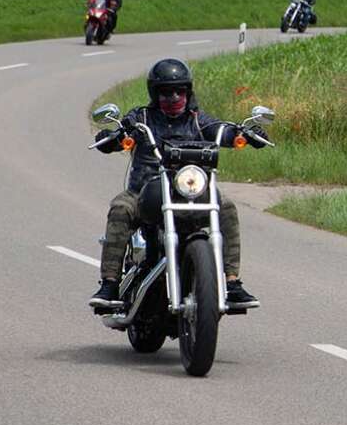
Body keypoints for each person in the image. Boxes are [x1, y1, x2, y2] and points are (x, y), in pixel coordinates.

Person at [88, 57, 260, 312]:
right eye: (166, 92)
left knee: (227, 208)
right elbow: (125, 132)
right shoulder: (142, 117)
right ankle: (110, 283)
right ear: (155, 93)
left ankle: (231, 283)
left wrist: (243, 135)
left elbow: (220, 130)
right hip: (146, 191)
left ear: (188, 91)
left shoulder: (198, 119)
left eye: (179, 90)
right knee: (120, 208)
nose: (174, 97)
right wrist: (113, 137)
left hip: (191, 192)